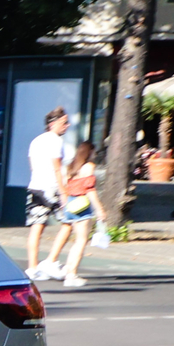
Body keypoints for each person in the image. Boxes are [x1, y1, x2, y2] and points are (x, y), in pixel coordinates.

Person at [51, 141, 107, 288]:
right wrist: (99, 209)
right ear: (89, 152)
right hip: (82, 205)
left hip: (71, 203)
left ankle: (69, 270)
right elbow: (90, 190)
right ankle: (71, 274)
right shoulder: (88, 167)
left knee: (76, 240)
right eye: (94, 152)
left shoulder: (72, 166)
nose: (95, 155)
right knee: (81, 241)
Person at [23, 108, 71, 279]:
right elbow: (57, 169)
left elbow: (32, 165)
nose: (67, 125)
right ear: (53, 124)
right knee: (69, 222)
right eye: (64, 122)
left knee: (36, 227)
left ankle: (32, 267)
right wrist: (64, 192)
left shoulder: (36, 141)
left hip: (36, 186)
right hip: (52, 187)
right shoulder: (55, 141)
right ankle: (50, 261)